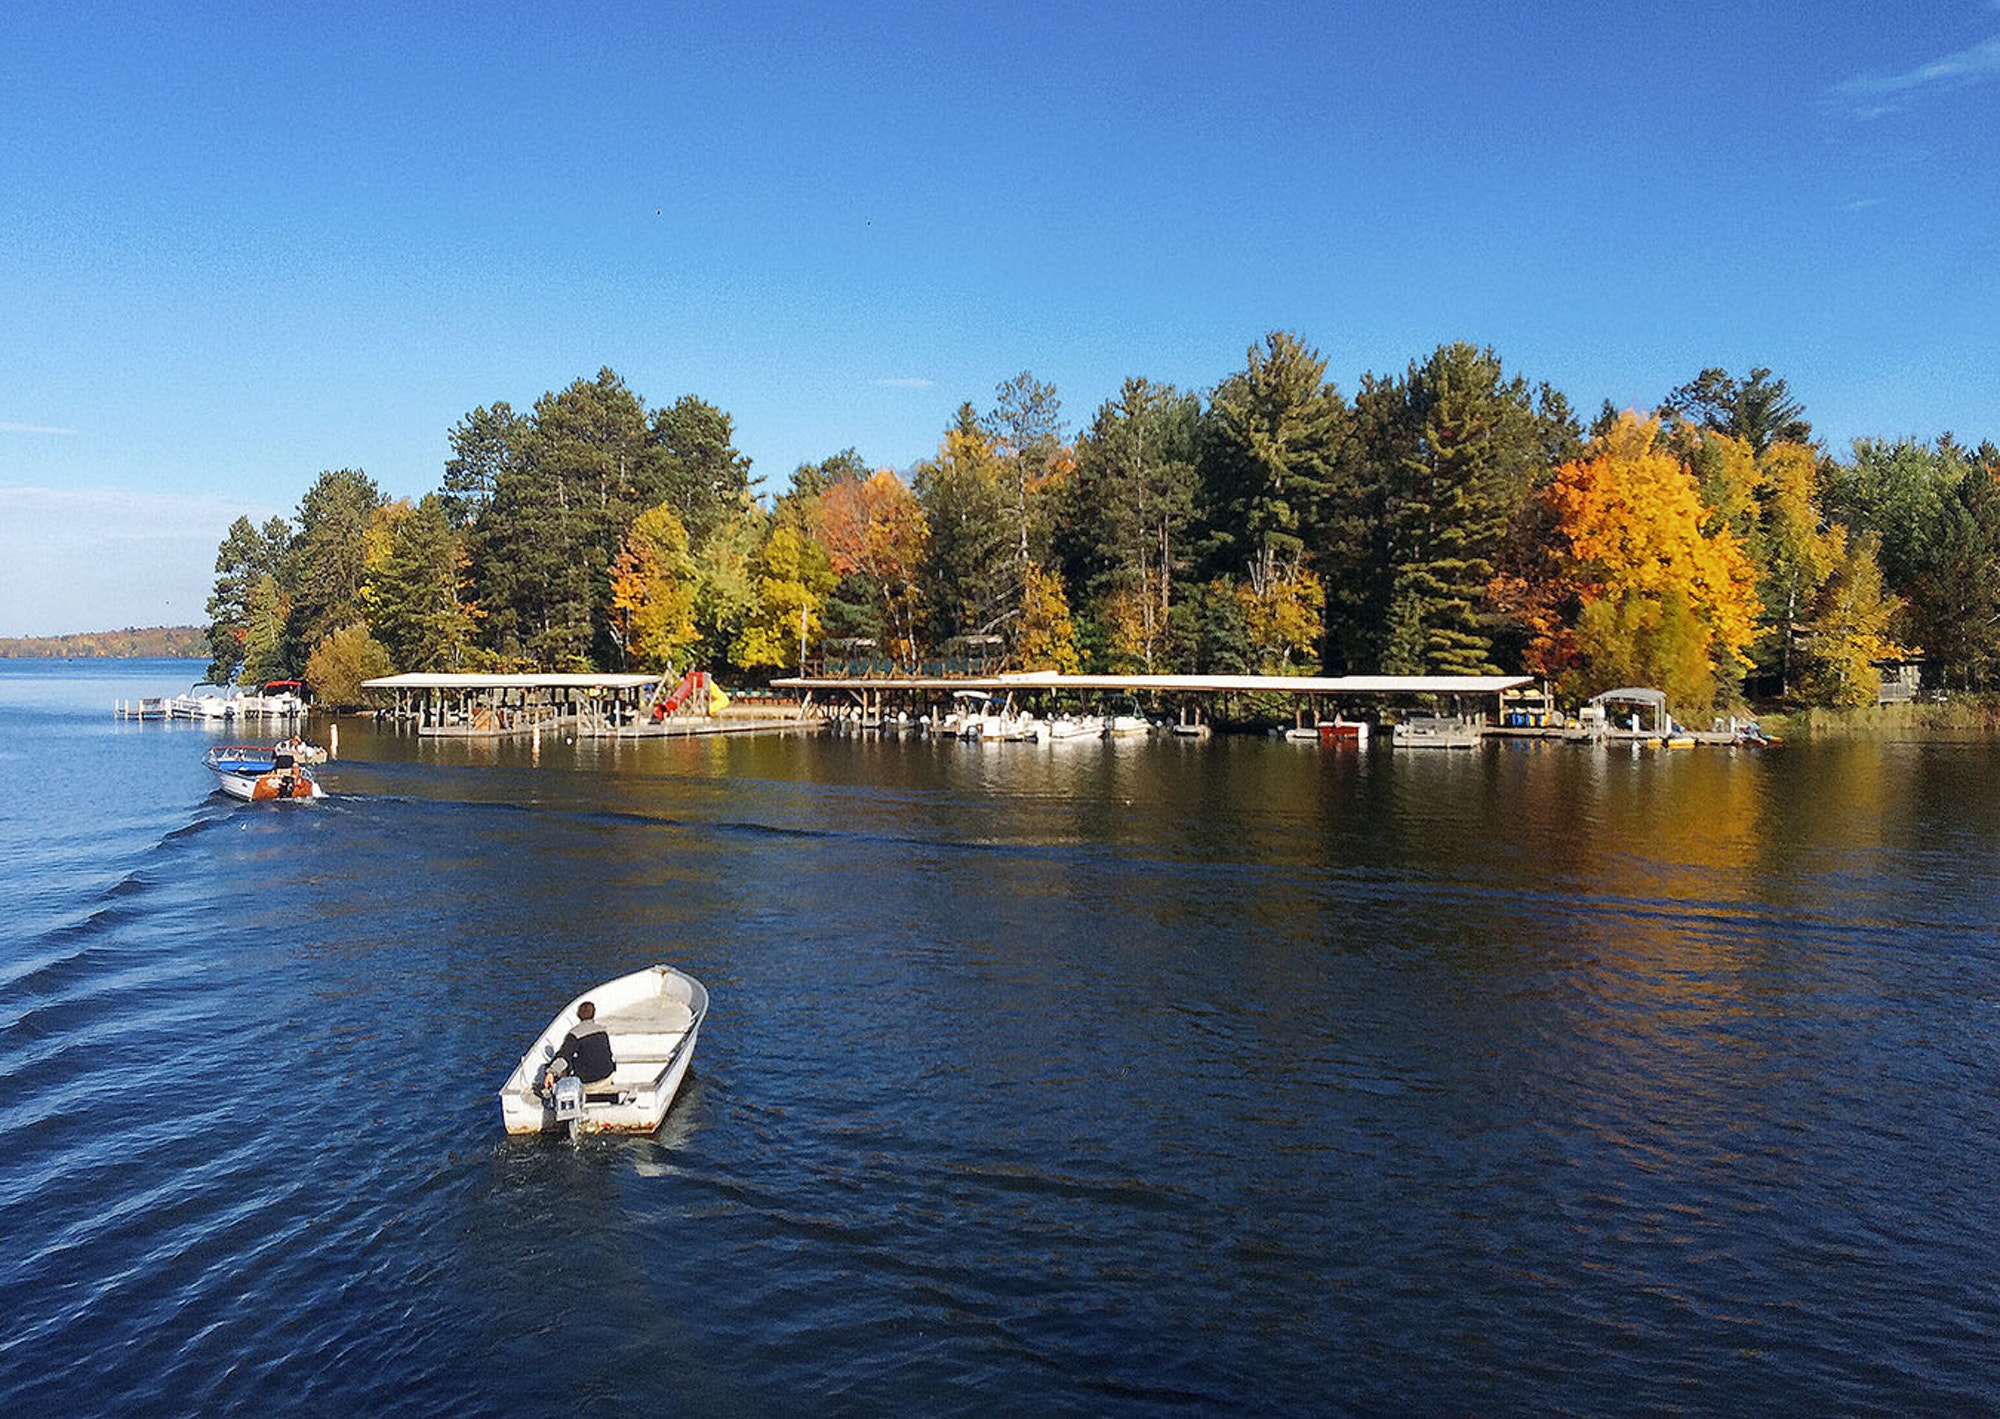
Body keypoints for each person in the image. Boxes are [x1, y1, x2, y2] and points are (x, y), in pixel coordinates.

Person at [543, 1001, 616, 1095]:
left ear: (578, 1015)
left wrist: (551, 1072)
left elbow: (564, 1058)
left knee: (567, 1060)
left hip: (586, 1082)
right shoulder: (603, 1031)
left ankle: (552, 1090)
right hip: (606, 1076)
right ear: (593, 1014)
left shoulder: (574, 1034)